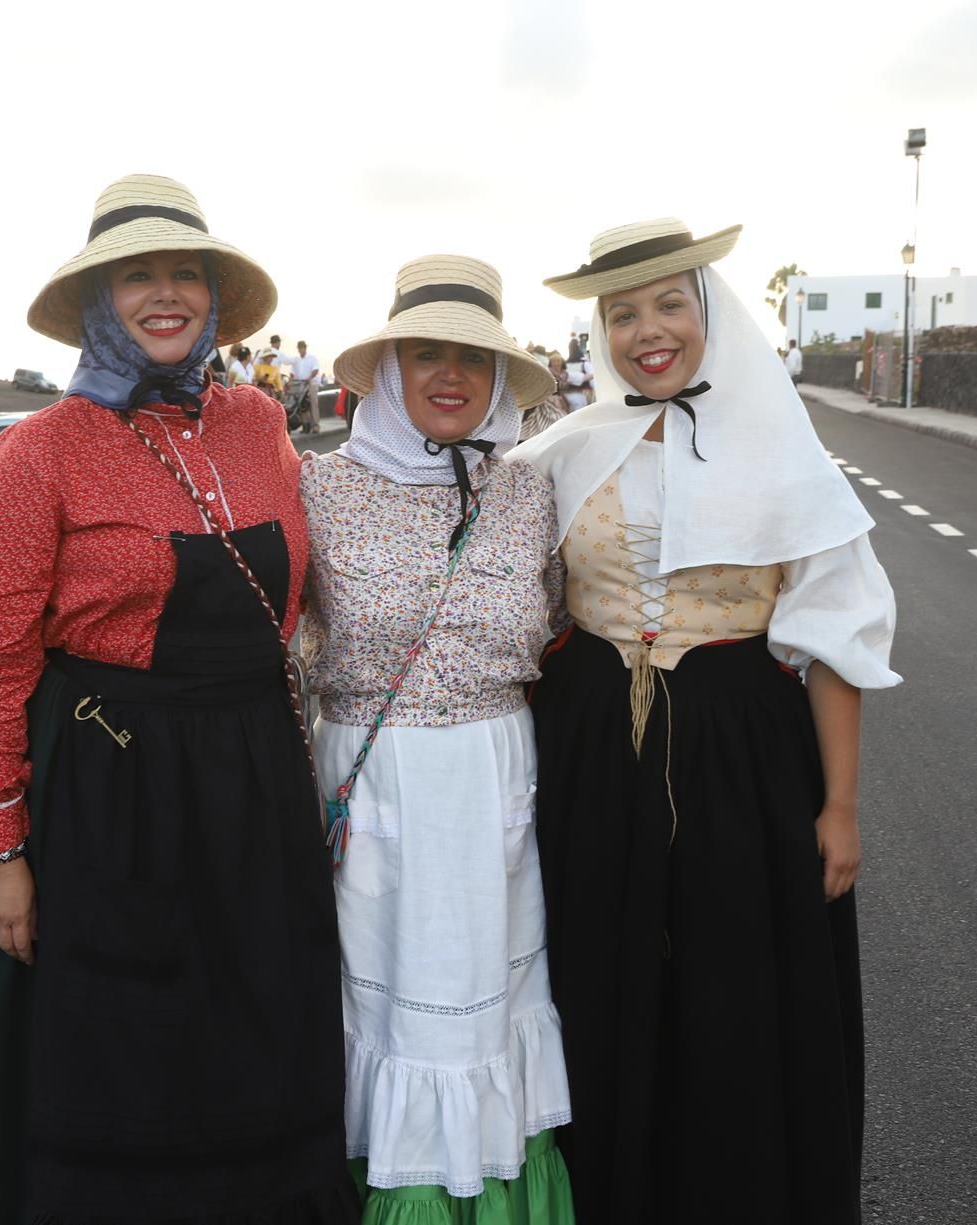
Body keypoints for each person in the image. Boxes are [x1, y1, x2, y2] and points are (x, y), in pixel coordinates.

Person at [0, 174, 356, 1225]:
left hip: (256, 783)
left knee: (260, 1024)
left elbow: (318, 589)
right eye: (138, 277)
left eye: (185, 275)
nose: (164, 296)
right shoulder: (35, 455)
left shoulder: (258, 423)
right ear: (98, 298)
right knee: (129, 1052)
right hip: (113, 794)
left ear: (214, 297)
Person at [514, 217, 901, 1222]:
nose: (647, 330)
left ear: (706, 311)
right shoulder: (561, 451)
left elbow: (832, 637)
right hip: (591, 746)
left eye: (666, 303)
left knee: (734, 998)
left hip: (742, 753)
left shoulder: (781, 451)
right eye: (621, 312)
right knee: (597, 976)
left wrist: (841, 808)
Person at [301, 254, 574, 1223]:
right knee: (385, 1002)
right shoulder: (318, 489)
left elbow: (555, 620)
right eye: (426, 352)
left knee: (483, 1006)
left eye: (471, 356)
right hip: (375, 786)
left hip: (495, 777)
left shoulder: (528, 492)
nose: (449, 374)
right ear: (387, 370)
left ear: (499, 376)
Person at [520, 351, 571, 441]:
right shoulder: (548, 372)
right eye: (554, 361)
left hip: (560, 397)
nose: (556, 363)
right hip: (547, 398)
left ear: (562, 362)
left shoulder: (565, 373)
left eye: (558, 361)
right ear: (551, 363)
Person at [288, 339, 324, 434]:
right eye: (299, 348)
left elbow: (315, 370)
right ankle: (305, 426)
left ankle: (315, 425)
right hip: (300, 384)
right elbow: (292, 372)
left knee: (313, 404)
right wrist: (291, 378)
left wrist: (309, 378)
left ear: (305, 348)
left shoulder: (312, 358)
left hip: (311, 383)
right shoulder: (296, 360)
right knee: (302, 405)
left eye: (302, 348)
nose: (301, 350)